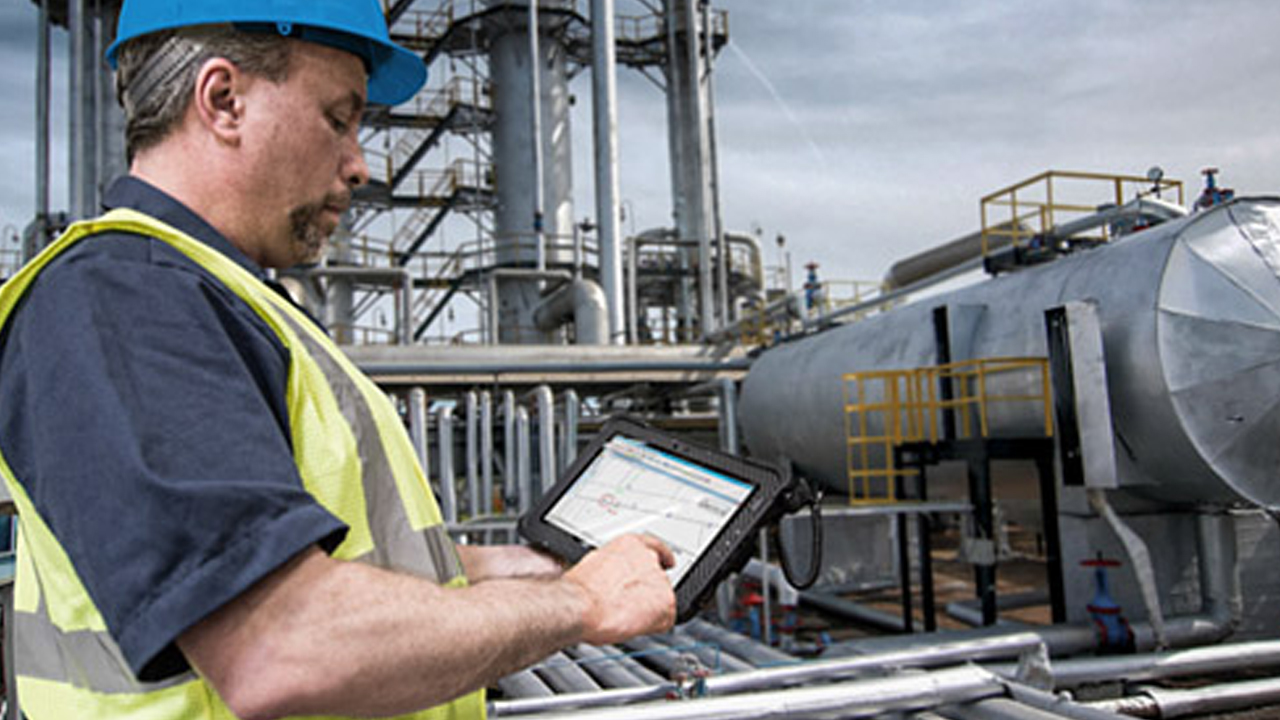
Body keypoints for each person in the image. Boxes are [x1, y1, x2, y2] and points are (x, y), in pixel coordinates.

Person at [0, 1, 676, 718]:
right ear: (224, 101)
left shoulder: (222, 301)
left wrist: (529, 569)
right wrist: (582, 602)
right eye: (338, 118)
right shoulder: (126, 298)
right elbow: (281, 644)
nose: (359, 165)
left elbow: (332, 568)